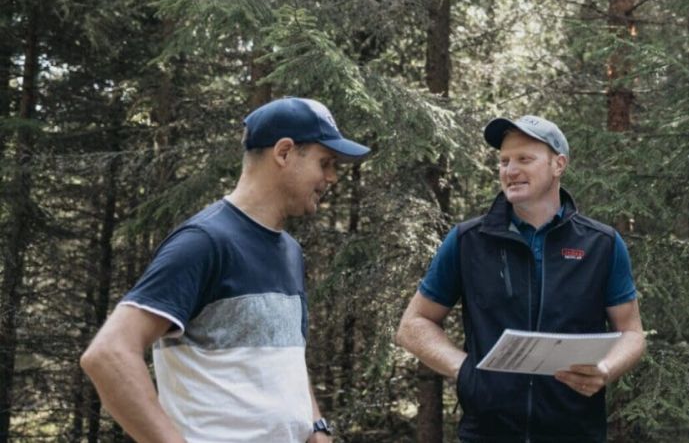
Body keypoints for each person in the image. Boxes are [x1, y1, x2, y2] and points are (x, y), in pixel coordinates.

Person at [80, 97, 371, 442]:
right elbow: (108, 354)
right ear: (284, 153)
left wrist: (317, 429)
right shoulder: (204, 242)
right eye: (325, 162)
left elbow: (283, 362)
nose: (332, 177)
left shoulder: (289, 251)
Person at [396, 114, 646, 442]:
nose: (510, 170)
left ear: (558, 165)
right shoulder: (467, 240)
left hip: (576, 433)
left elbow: (632, 333)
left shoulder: (602, 244)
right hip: (486, 433)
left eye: (524, 159)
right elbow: (413, 325)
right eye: (504, 161)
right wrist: (465, 371)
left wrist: (605, 370)